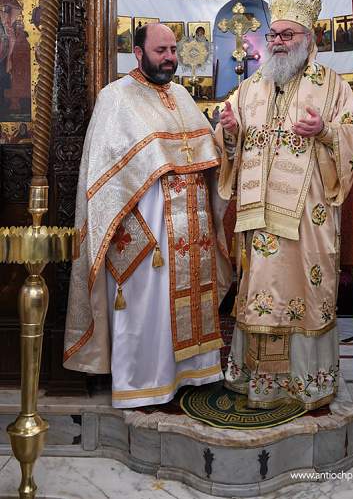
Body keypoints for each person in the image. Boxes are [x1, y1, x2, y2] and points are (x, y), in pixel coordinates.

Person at [216, 0, 353, 411]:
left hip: (307, 221)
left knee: (302, 294)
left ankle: (306, 384)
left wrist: (326, 131)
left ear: (309, 38)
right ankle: (260, 383)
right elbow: (230, 144)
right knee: (261, 292)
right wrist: (230, 132)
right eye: (274, 35)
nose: (278, 42)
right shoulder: (252, 86)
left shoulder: (332, 85)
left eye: (288, 35)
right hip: (258, 218)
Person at [64, 23, 232, 408]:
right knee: (149, 305)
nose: (170, 58)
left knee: (190, 297)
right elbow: (103, 174)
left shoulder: (182, 96)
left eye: (173, 50)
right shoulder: (116, 98)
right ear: (138, 53)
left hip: (192, 226)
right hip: (146, 226)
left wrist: (228, 136)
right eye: (161, 51)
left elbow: (208, 154)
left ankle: (195, 372)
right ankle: (146, 383)